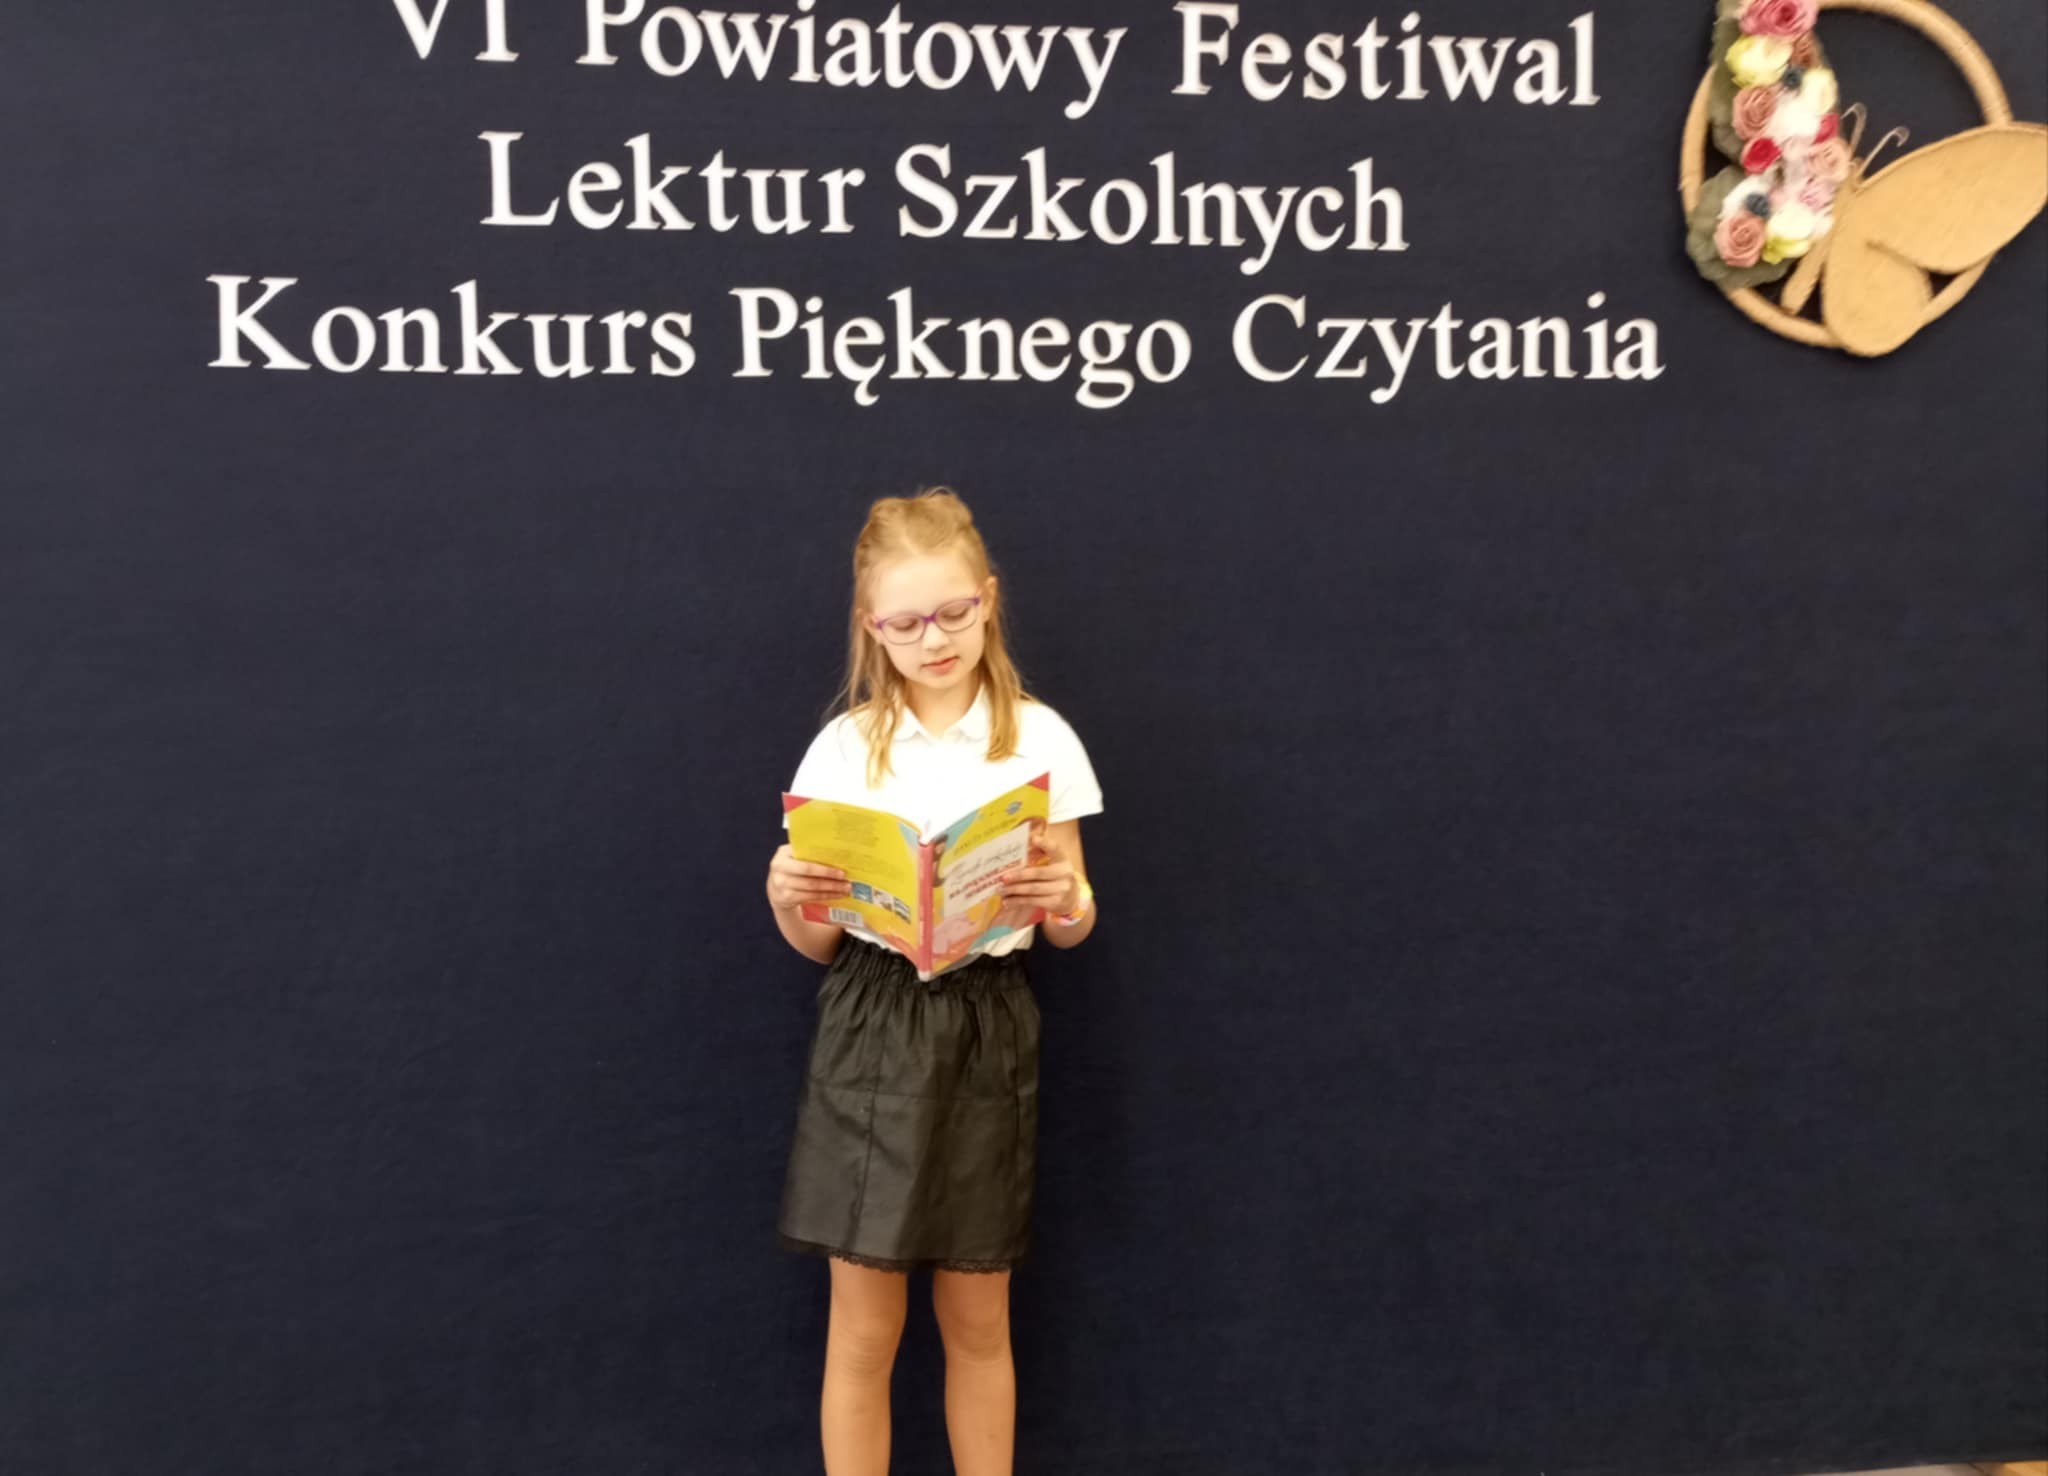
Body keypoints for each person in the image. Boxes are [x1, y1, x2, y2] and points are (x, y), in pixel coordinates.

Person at [765, 487, 1103, 1476]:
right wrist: (786, 896)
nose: (934, 638)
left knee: (977, 1319)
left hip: (985, 1020)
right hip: (870, 1020)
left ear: (988, 598)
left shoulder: (1038, 738)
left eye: (953, 611)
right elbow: (816, 946)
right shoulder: (844, 747)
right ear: (871, 627)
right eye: (906, 623)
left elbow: (1073, 925)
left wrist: (1066, 894)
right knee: (863, 1327)